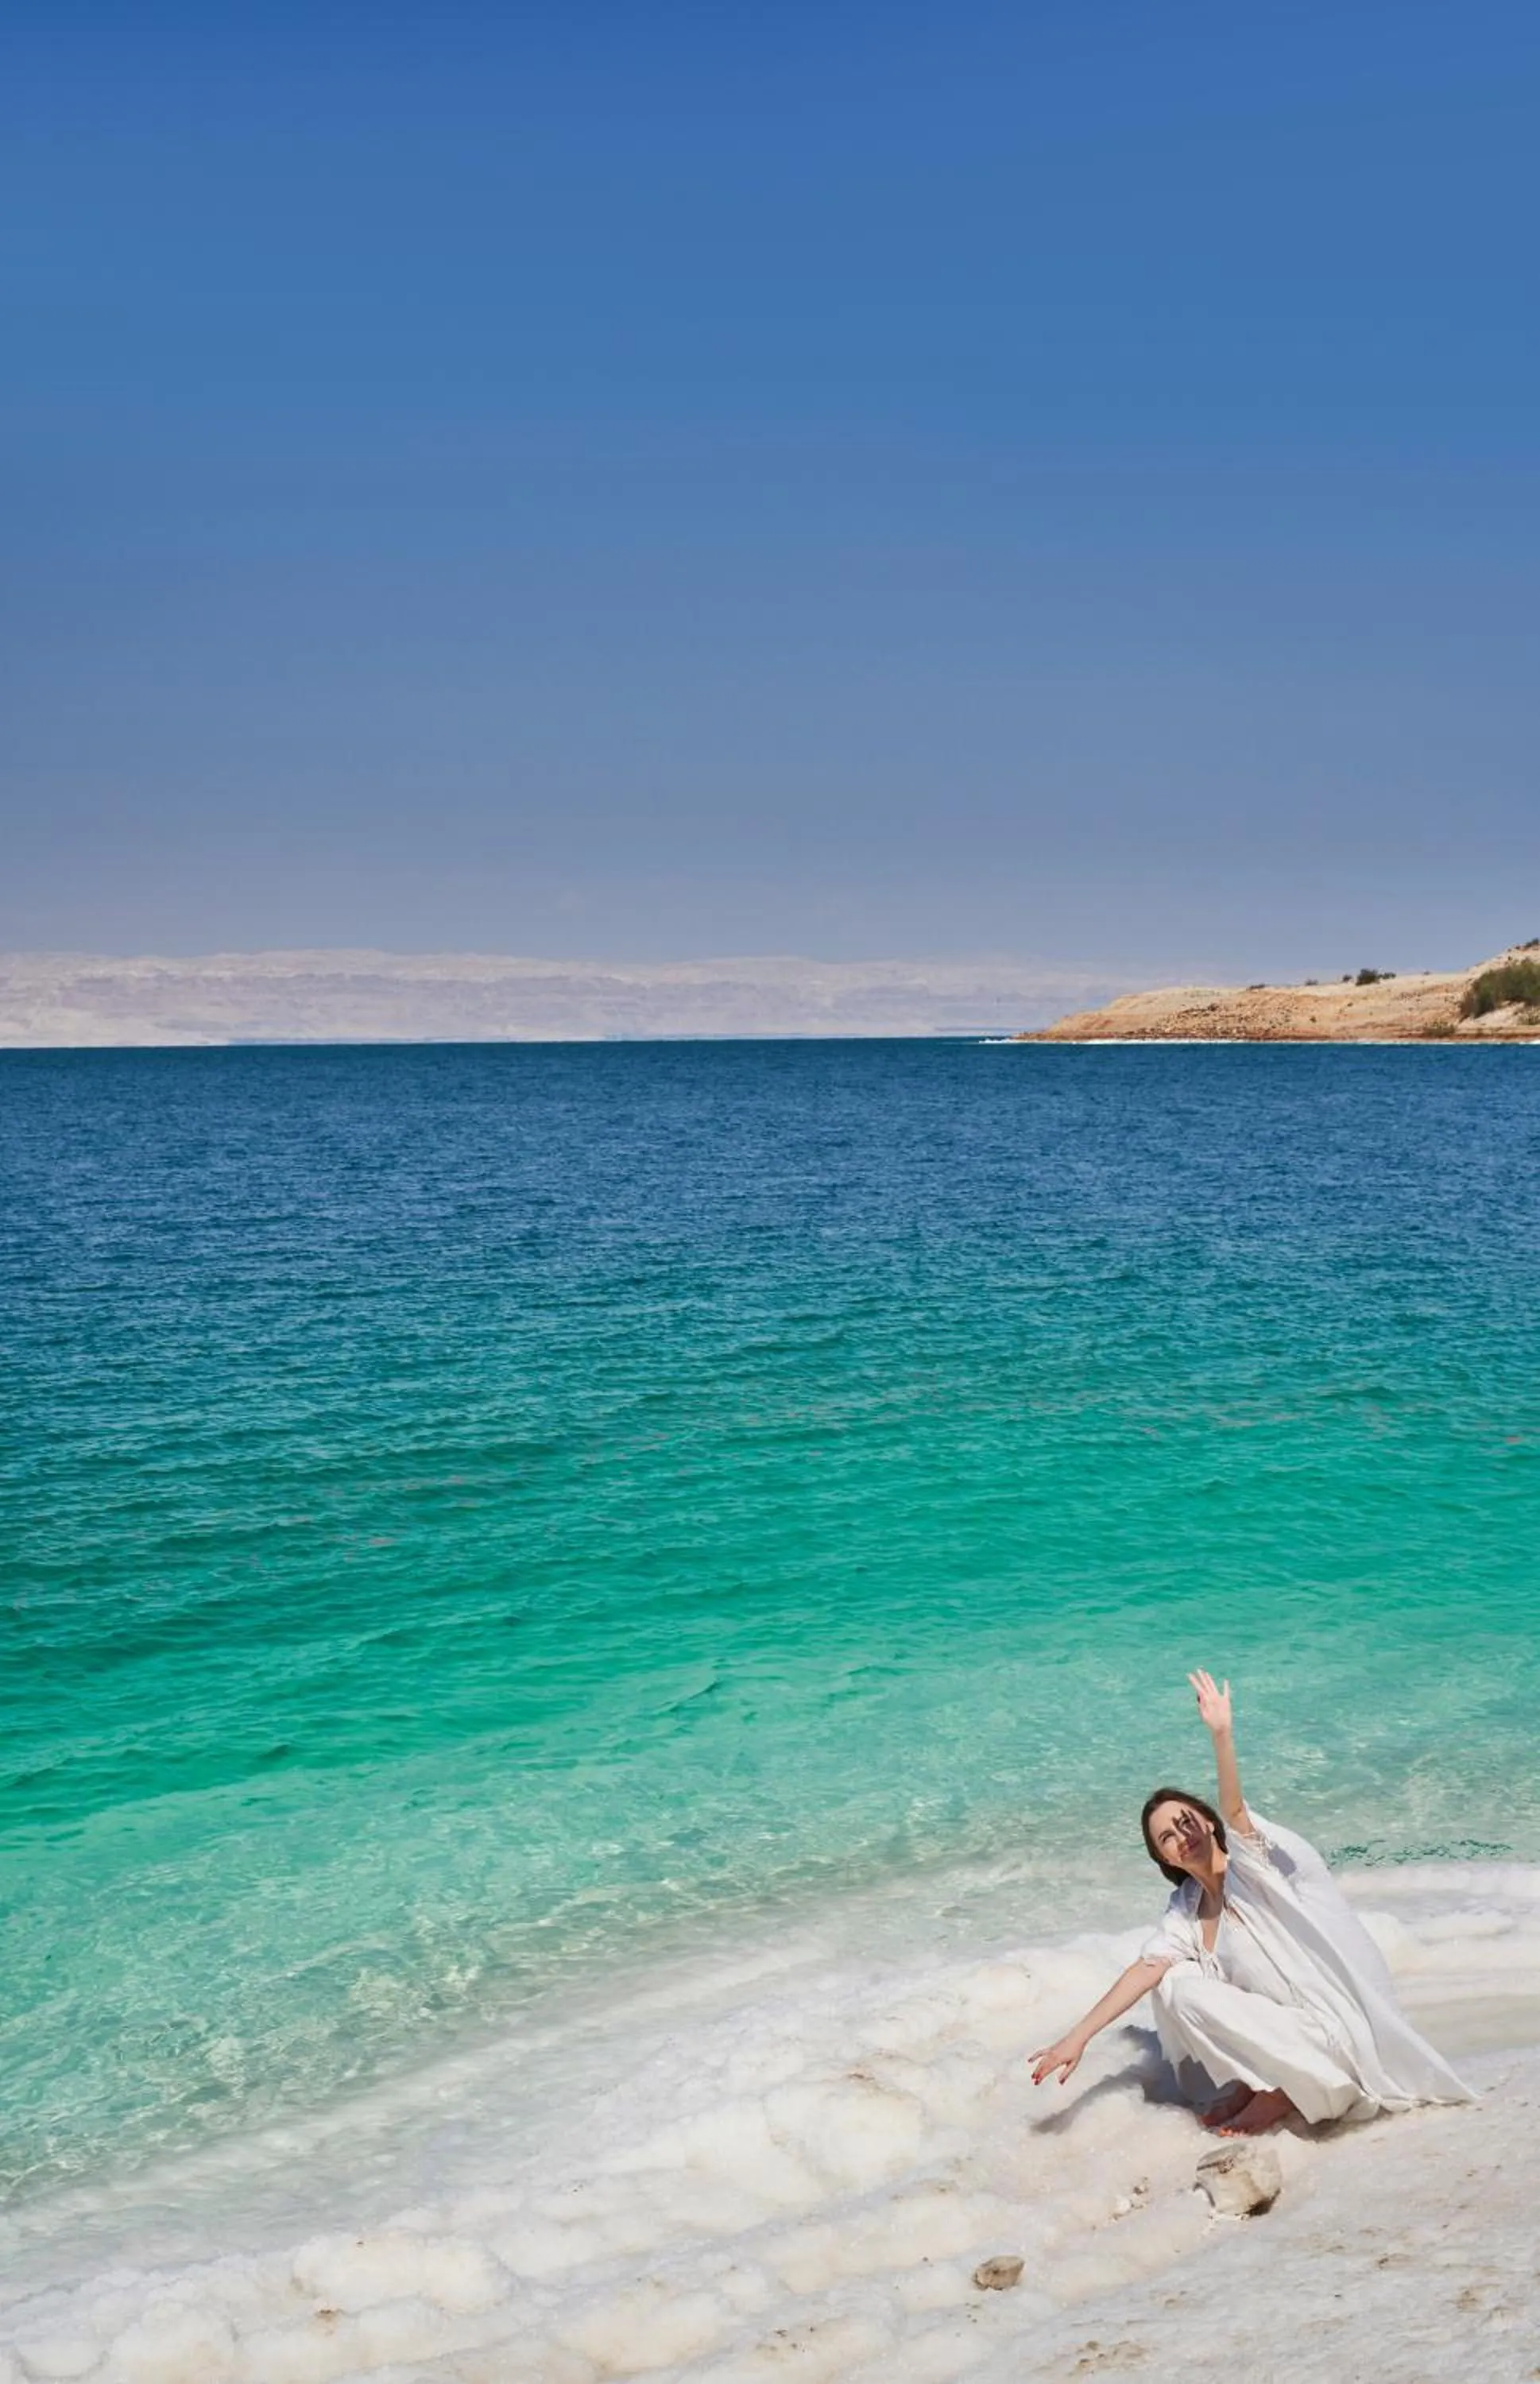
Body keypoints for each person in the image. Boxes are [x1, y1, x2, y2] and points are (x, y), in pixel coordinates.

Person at [1029, 1670, 1474, 2134]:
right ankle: (1258, 2081)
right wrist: (1075, 2039)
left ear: (1208, 1821)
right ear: (1163, 1857)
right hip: (1286, 2036)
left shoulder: (1254, 1867)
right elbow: (1145, 1969)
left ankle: (1284, 2091)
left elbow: (1236, 1810)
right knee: (1173, 1981)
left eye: (1186, 1821)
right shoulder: (1188, 1907)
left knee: (1189, 1990)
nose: (1181, 1835)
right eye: (1167, 1837)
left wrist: (1221, 1734)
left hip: (1329, 2041)